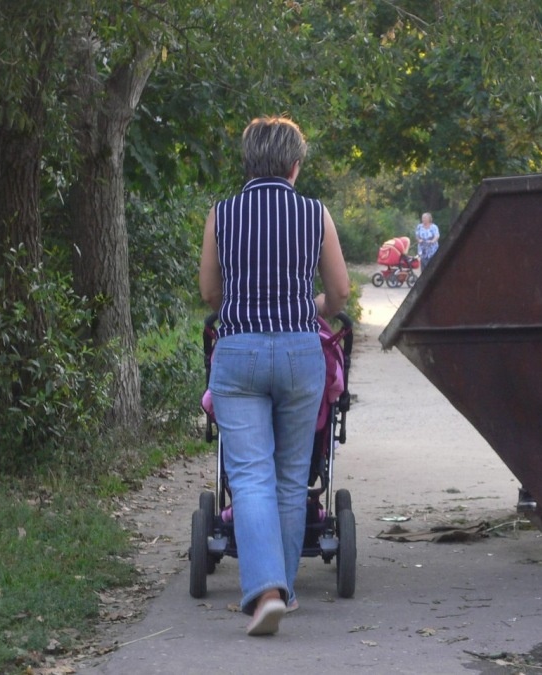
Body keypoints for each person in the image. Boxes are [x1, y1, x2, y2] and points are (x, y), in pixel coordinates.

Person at [198, 116, 349, 636]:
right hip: (299, 354)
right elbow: (341, 293)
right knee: (290, 476)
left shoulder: (222, 215)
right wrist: (311, 306)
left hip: (238, 353)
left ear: (249, 162)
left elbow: (211, 296)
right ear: (294, 164)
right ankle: (280, 588)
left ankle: (266, 593)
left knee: (250, 476)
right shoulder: (314, 213)